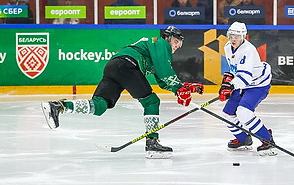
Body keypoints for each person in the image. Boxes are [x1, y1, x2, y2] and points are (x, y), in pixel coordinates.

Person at [41, 26, 204, 159]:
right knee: (152, 102)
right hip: (128, 65)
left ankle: (60, 106)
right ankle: (152, 142)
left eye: (179, 45)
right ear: (167, 37)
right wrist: (179, 89)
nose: (176, 46)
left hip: (114, 65)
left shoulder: (155, 50)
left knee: (99, 106)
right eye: (176, 42)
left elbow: (162, 80)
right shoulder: (161, 44)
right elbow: (164, 70)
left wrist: (183, 88)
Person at [218, 22, 276, 156]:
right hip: (243, 83)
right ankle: (244, 139)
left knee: (243, 111)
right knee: (227, 113)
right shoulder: (228, 47)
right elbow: (234, 69)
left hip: (258, 84)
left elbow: (245, 76)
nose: (233, 39)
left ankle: (267, 139)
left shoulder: (248, 50)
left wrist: (231, 86)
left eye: (237, 36)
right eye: (231, 35)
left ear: (243, 36)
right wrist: (226, 83)